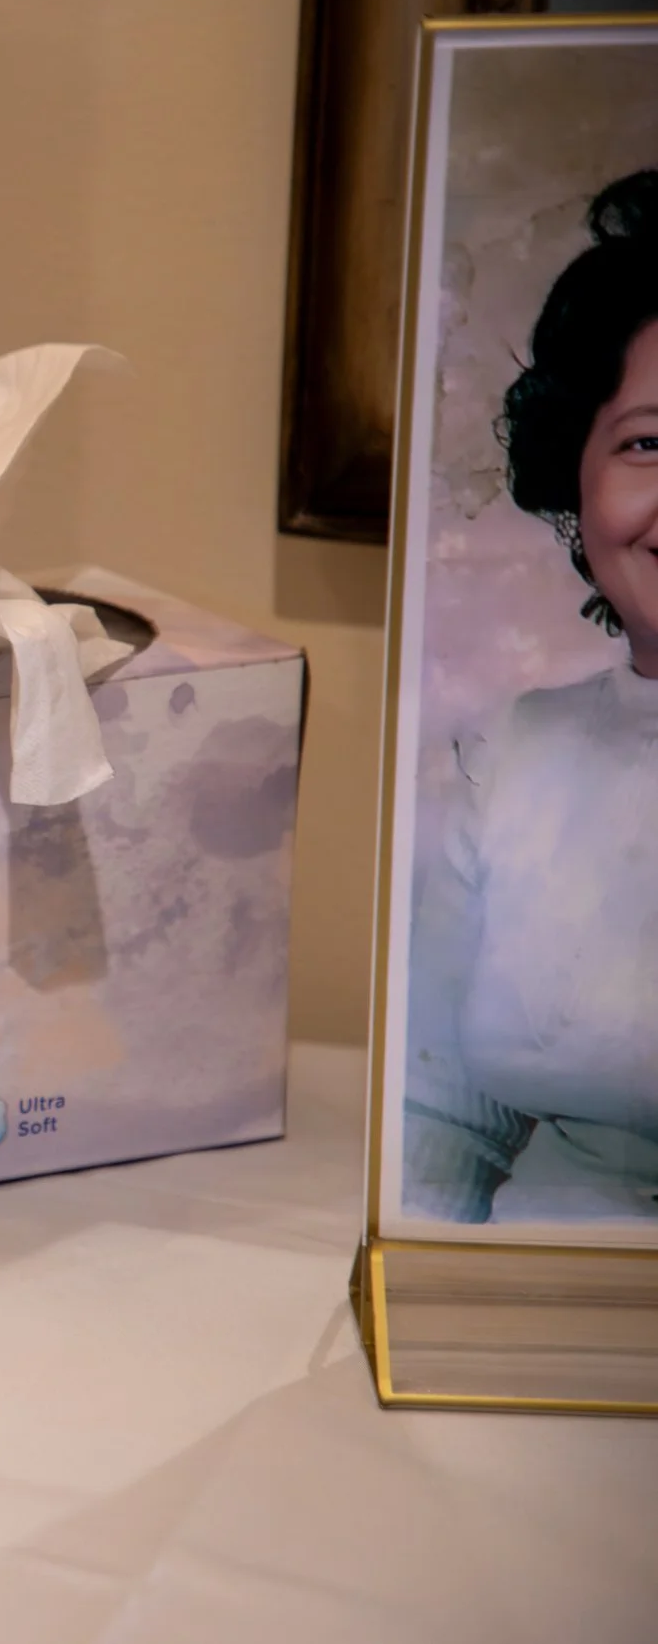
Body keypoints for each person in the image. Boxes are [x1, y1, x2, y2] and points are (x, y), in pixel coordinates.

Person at [404, 169, 658, 1222]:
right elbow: (440, 1122)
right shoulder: (514, 750)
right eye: (648, 443)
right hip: (537, 1287)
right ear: (576, 477)